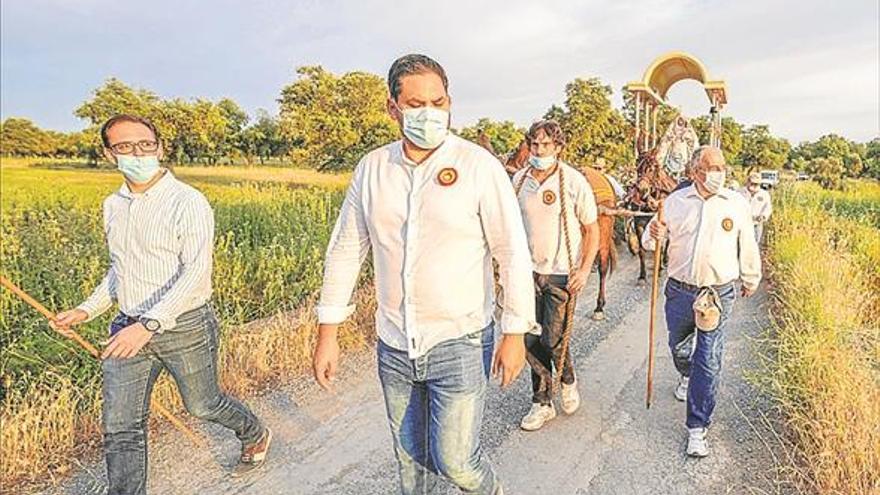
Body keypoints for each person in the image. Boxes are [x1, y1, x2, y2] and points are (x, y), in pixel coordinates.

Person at [311, 54, 537, 495]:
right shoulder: (373, 169)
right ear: (392, 108)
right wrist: (328, 332)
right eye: (416, 104)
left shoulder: (478, 166)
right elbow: (345, 250)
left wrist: (515, 333)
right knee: (411, 461)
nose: (429, 113)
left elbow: (512, 252)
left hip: (462, 340)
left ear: (449, 101)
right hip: (394, 342)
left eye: (438, 101)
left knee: (456, 462)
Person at [53, 115, 271, 495]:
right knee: (120, 426)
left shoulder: (187, 201)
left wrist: (150, 324)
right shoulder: (112, 205)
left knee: (203, 405)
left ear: (160, 148)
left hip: (183, 326)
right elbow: (120, 269)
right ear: (108, 154)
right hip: (127, 327)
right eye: (124, 147)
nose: (137, 153)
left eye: (145, 144)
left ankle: (254, 432)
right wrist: (87, 309)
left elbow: (196, 272)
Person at [642, 146, 761, 458]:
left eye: (722, 167)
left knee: (707, 359)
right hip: (679, 290)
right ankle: (685, 373)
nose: (718, 173)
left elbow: (747, 241)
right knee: (679, 348)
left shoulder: (736, 203)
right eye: (711, 167)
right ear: (695, 171)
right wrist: (653, 232)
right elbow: (651, 242)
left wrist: (750, 277)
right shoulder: (675, 202)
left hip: (716, 293)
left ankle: (697, 427)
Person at [512, 120, 599, 431]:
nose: (538, 150)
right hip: (526, 273)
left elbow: (592, 230)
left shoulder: (573, 182)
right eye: (534, 144)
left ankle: (567, 377)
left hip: (562, 273)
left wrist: (585, 268)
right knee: (529, 339)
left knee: (552, 338)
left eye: (545, 145)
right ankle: (541, 402)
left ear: (558, 148)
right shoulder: (519, 181)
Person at [738, 172, 772, 243]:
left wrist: (763, 216)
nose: (754, 185)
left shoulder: (764, 195)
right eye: (752, 183)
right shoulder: (739, 192)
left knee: (755, 244)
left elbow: (768, 208)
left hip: (756, 224)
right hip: (742, 224)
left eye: (756, 184)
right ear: (748, 181)